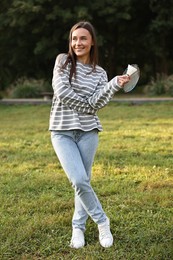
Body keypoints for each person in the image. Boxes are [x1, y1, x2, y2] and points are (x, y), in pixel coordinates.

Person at [49, 21, 130, 249]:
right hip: (61, 131)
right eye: (74, 39)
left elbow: (98, 103)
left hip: (88, 132)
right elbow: (62, 92)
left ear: (92, 41)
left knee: (82, 183)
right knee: (79, 179)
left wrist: (114, 84)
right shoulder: (62, 61)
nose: (78, 43)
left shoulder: (100, 73)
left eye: (83, 38)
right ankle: (102, 221)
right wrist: (88, 104)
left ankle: (78, 228)